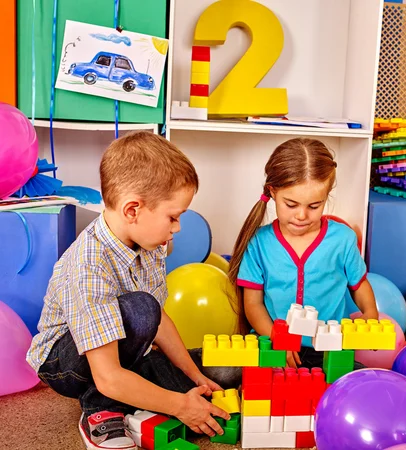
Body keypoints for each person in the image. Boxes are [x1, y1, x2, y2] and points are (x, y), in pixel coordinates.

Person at [26, 131, 241, 450]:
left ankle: (135, 393)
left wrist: (194, 374)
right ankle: (99, 411)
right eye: (173, 217)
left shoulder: (151, 241)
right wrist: (180, 407)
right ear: (132, 210)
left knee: (226, 372)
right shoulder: (89, 265)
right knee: (140, 310)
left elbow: (160, 321)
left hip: (124, 352)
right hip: (66, 362)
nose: (177, 227)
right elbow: (112, 370)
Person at [228, 137, 379, 369]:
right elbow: (253, 304)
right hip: (273, 343)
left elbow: (359, 285)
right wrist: (277, 338)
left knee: (359, 382)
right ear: (273, 192)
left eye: (314, 206)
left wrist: (370, 314)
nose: (301, 215)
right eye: (291, 205)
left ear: (326, 197)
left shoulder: (342, 239)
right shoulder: (259, 242)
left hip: (327, 348)